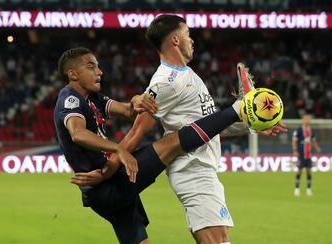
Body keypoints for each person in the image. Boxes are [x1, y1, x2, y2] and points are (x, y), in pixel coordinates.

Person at [71, 16, 286, 244]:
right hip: (193, 169)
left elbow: (204, 126)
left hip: (202, 167)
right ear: (175, 39)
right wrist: (109, 170)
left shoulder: (187, 75)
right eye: (188, 34)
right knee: (217, 241)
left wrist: (251, 124)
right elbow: (136, 132)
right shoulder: (165, 82)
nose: (192, 40)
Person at [292, 113, 321, 197]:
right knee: (299, 171)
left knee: (309, 171)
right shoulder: (299, 130)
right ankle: (297, 189)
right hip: (301, 154)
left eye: (309, 119)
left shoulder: (311, 130)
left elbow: (313, 140)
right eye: (307, 119)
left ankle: (308, 189)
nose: (308, 120)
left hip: (308, 154)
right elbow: (294, 141)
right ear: (303, 120)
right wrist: (294, 150)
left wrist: (317, 147)